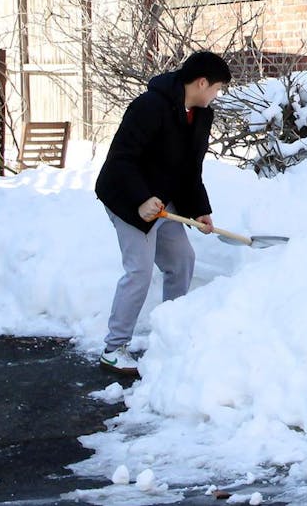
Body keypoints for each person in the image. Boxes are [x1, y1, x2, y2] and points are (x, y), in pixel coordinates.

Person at [94, 51, 232, 377]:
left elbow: (190, 171)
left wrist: (200, 211)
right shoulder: (149, 106)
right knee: (139, 271)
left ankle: (169, 334)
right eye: (217, 88)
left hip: (162, 203)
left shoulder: (200, 116)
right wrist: (141, 199)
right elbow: (121, 159)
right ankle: (114, 349)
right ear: (201, 83)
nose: (217, 95)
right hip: (127, 199)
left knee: (181, 260)